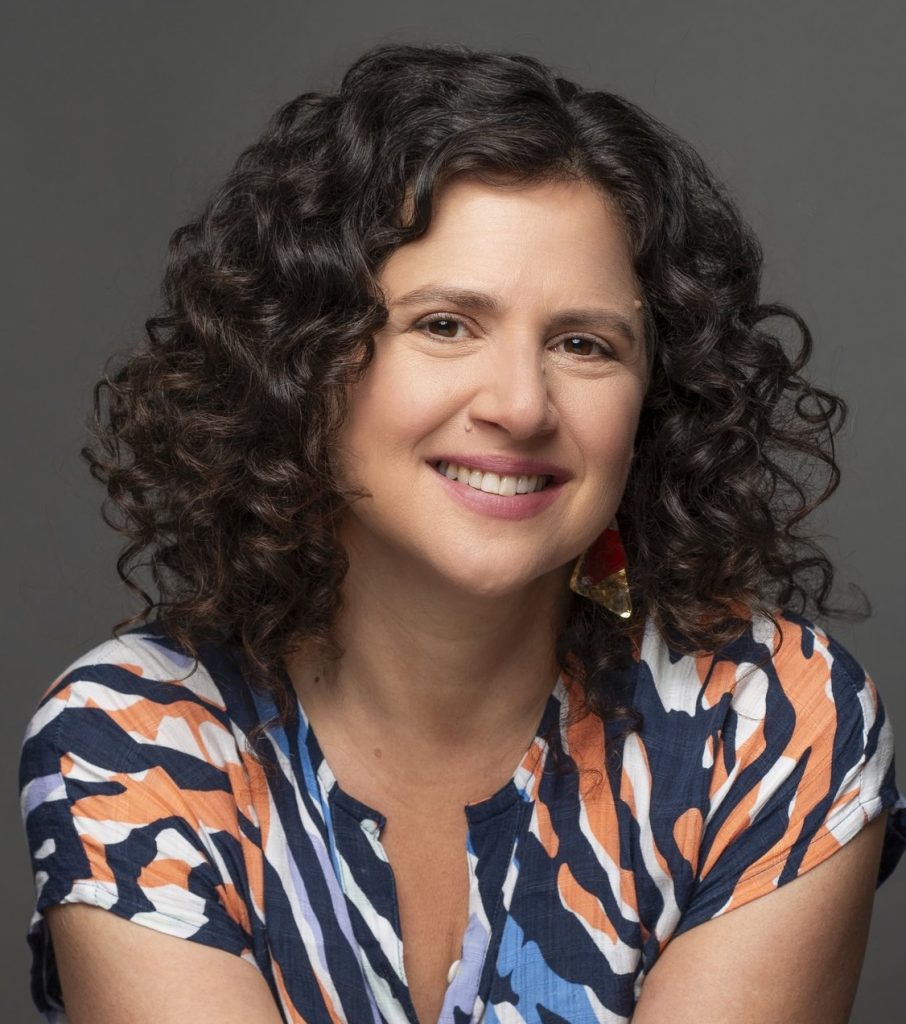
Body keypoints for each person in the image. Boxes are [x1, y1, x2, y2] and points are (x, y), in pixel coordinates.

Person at [19, 43, 905, 1024]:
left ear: (656, 400)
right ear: (302, 360)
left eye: (584, 344)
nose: (520, 405)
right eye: (445, 325)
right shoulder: (135, 736)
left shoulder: (769, 726)